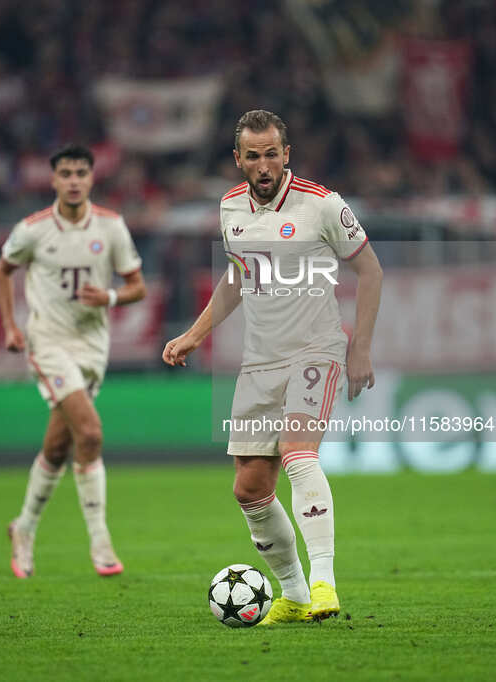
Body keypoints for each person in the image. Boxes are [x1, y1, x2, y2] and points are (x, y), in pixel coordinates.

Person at [163, 110, 382, 624]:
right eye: (253, 155)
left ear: (287, 154)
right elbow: (239, 277)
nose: (263, 165)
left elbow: (369, 270)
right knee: (250, 488)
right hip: (259, 362)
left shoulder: (323, 204)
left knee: (297, 452)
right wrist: (194, 334)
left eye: (272, 154)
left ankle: (325, 582)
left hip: (316, 350)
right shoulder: (230, 207)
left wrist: (361, 348)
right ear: (238, 159)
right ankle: (296, 595)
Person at [0, 143, 146, 579]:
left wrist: (111, 296)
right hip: (49, 343)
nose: (74, 180)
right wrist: (10, 326)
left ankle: (22, 528)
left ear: (92, 178)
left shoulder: (112, 227)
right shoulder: (33, 230)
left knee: (59, 447)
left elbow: (138, 286)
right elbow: (2, 270)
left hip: (92, 349)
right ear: (54, 180)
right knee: (91, 433)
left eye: (82, 172)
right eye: (66, 173)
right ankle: (101, 544)